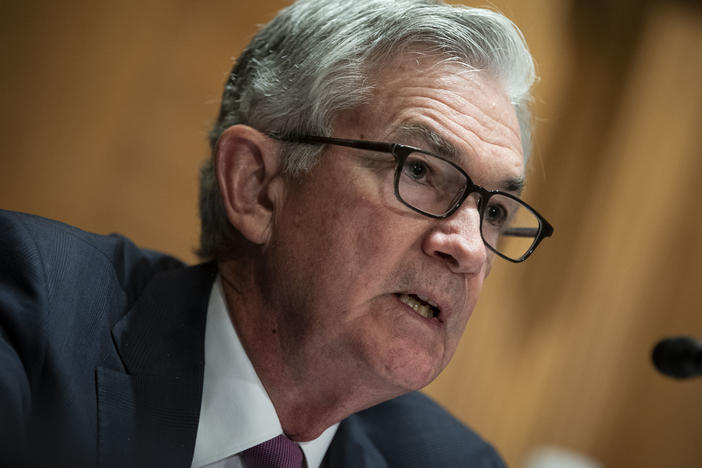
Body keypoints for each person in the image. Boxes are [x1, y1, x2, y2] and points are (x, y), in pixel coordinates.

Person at [0, 0, 553, 466]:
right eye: (418, 170)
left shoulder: (452, 462)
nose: (468, 247)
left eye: (495, 213)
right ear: (257, 185)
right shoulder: (34, 311)